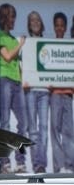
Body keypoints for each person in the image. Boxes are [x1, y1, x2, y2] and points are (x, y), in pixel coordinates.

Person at [0, 3, 28, 174]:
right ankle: (4, 163)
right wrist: (20, 44)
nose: (13, 20)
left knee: (23, 123)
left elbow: (18, 64)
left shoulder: (13, 39)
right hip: (5, 81)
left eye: (14, 16)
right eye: (11, 17)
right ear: (4, 18)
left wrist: (23, 81)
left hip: (16, 83)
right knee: (5, 123)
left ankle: (20, 161)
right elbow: (7, 57)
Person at [23, 11, 49, 174]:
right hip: (30, 90)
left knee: (44, 128)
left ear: (41, 23)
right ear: (29, 23)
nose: (35, 22)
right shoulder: (24, 42)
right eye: (32, 20)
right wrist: (22, 80)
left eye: (37, 19)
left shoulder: (47, 42)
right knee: (33, 128)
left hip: (45, 90)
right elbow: (20, 65)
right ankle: (36, 164)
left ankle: (42, 164)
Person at [49, 12, 74, 172]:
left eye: (62, 26)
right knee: (55, 130)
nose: (59, 28)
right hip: (55, 93)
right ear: (54, 27)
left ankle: (70, 165)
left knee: (68, 131)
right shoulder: (49, 46)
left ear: (65, 28)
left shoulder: (70, 47)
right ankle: (58, 165)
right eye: (57, 25)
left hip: (68, 94)